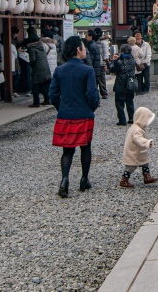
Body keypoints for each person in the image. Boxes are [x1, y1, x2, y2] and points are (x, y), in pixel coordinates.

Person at [49, 36, 100, 198]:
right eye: (83, 48)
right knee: (85, 147)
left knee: (67, 150)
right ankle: (84, 179)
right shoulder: (87, 70)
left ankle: (64, 179)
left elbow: (53, 95)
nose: (85, 50)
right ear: (79, 50)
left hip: (65, 114)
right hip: (84, 114)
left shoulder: (59, 70)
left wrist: (61, 108)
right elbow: (92, 94)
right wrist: (91, 107)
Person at [119, 107, 157, 188]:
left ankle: (147, 177)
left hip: (138, 152)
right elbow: (138, 139)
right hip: (133, 153)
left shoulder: (137, 127)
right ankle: (124, 180)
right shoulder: (137, 130)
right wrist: (146, 142)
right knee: (130, 167)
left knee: (145, 164)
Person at [113, 45, 138, 126]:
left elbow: (112, 69)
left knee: (119, 103)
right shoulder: (132, 60)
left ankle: (122, 120)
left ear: (122, 51)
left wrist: (112, 61)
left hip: (121, 84)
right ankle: (131, 118)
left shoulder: (119, 61)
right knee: (130, 102)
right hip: (130, 83)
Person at [27, 32, 52, 108]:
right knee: (44, 84)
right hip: (45, 67)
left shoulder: (32, 48)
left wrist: (30, 65)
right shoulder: (42, 47)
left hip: (38, 68)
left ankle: (36, 102)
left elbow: (33, 59)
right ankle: (47, 99)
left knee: (35, 85)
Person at [85, 29, 106, 99]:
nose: (85, 37)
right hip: (97, 67)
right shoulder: (95, 45)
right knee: (96, 83)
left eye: (86, 35)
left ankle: (95, 99)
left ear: (90, 37)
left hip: (94, 67)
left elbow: (90, 59)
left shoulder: (91, 46)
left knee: (93, 85)